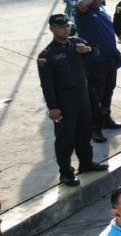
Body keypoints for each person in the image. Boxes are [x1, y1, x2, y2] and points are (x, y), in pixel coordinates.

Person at [38, 13, 109, 186]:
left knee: (84, 133)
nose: (65, 29)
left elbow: (97, 53)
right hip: (64, 101)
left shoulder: (77, 43)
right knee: (65, 138)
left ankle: (86, 163)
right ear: (52, 29)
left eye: (67, 26)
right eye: (61, 27)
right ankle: (66, 172)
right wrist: (53, 106)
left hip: (83, 96)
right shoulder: (46, 55)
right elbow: (46, 84)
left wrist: (89, 50)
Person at [74, 0, 121, 142]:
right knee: (96, 97)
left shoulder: (100, 12)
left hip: (109, 60)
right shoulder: (83, 14)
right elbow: (81, 4)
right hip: (95, 63)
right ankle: (95, 128)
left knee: (108, 92)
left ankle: (106, 120)